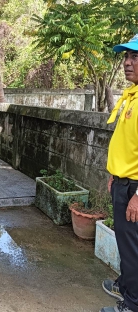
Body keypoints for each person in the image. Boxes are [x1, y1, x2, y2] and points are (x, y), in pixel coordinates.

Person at [101, 34, 138, 312]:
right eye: (126, 56)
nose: (127, 62)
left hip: (134, 189)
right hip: (122, 182)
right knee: (126, 244)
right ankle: (126, 284)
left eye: (135, 57)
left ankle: (132, 303)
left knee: (132, 249)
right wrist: (114, 172)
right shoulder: (131, 96)